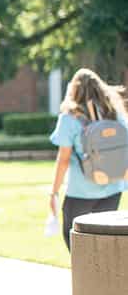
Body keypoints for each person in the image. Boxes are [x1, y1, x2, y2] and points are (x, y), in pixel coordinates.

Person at [49, 68, 127, 250]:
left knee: (75, 240)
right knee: (104, 241)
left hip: (80, 192)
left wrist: (54, 192)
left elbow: (63, 160)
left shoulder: (69, 119)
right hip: (113, 187)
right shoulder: (115, 114)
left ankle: (83, 278)